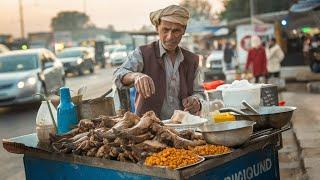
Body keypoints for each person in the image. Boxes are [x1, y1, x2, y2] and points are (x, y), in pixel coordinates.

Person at [113, 5, 205, 120]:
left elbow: (200, 93)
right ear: (157, 28)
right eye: (165, 30)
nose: (170, 37)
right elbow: (118, 75)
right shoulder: (143, 53)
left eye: (176, 31)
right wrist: (136, 76)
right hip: (148, 130)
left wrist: (196, 101)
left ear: (184, 30)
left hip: (183, 128)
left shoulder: (192, 60)